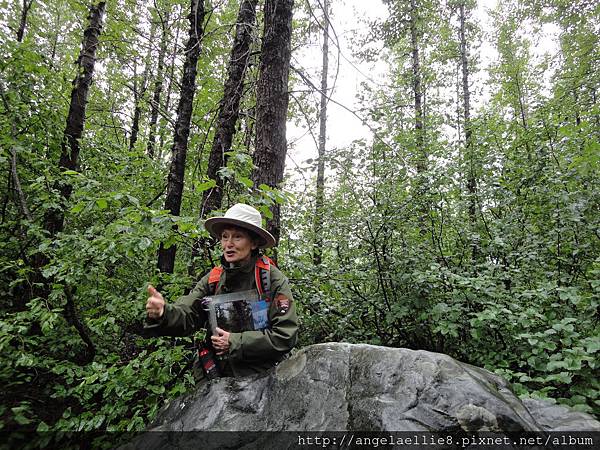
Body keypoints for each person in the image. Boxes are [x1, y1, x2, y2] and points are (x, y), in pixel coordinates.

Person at [144, 203, 298, 378]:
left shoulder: (271, 280)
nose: (229, 244)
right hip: (217, 375)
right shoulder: (214, 278)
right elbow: (188, 313)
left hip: (262, 378)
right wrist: (164, 312)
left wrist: (234, 342)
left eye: (237, 237)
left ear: (254, 243)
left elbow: (285, 335)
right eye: (225, 237)